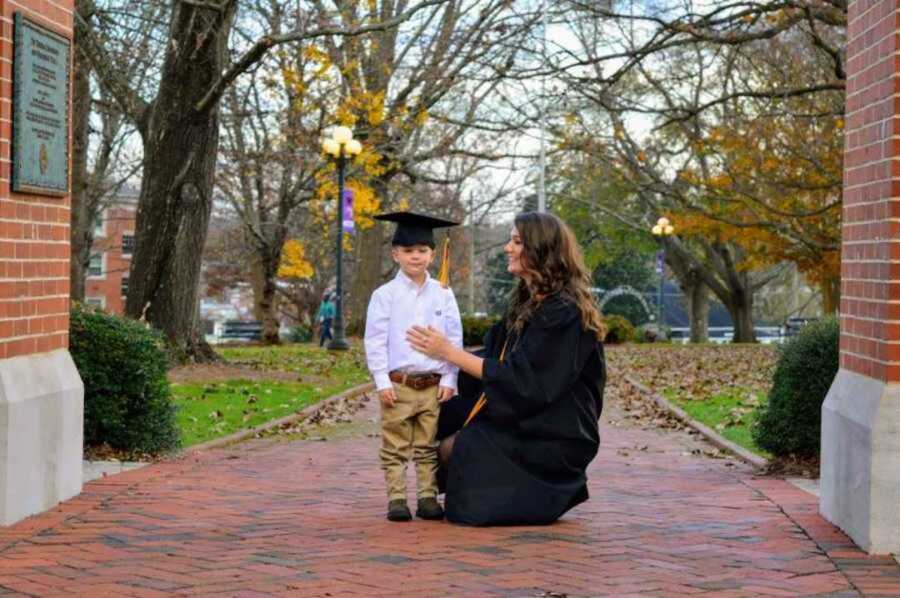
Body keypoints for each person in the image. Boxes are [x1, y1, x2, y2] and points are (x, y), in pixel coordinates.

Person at [406, 211, 606, 526]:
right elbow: (494, 355)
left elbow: (525, 380)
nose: (507, 248)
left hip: (556, 430)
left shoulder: (563, 312)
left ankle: (529, 495)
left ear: (540, 250)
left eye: (516, 241)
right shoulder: (526, 302)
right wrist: (430, 370)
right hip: (526, 412)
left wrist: (449, 352)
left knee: (461, 447)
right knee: (438, 409)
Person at [364, 211, 464, 522]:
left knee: (427, 445)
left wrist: (450, 376)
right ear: (395, 254)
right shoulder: (385, 296)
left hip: (432, 385)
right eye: (408, 251)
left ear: (433, 254)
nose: (415, 257)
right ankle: (396, 498)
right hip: (399, 384)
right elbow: (375, 339)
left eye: (422, 250)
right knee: (395, 445)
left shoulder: (444, 294)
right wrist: (381, 380)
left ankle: (427, 498)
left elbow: (454, 336)